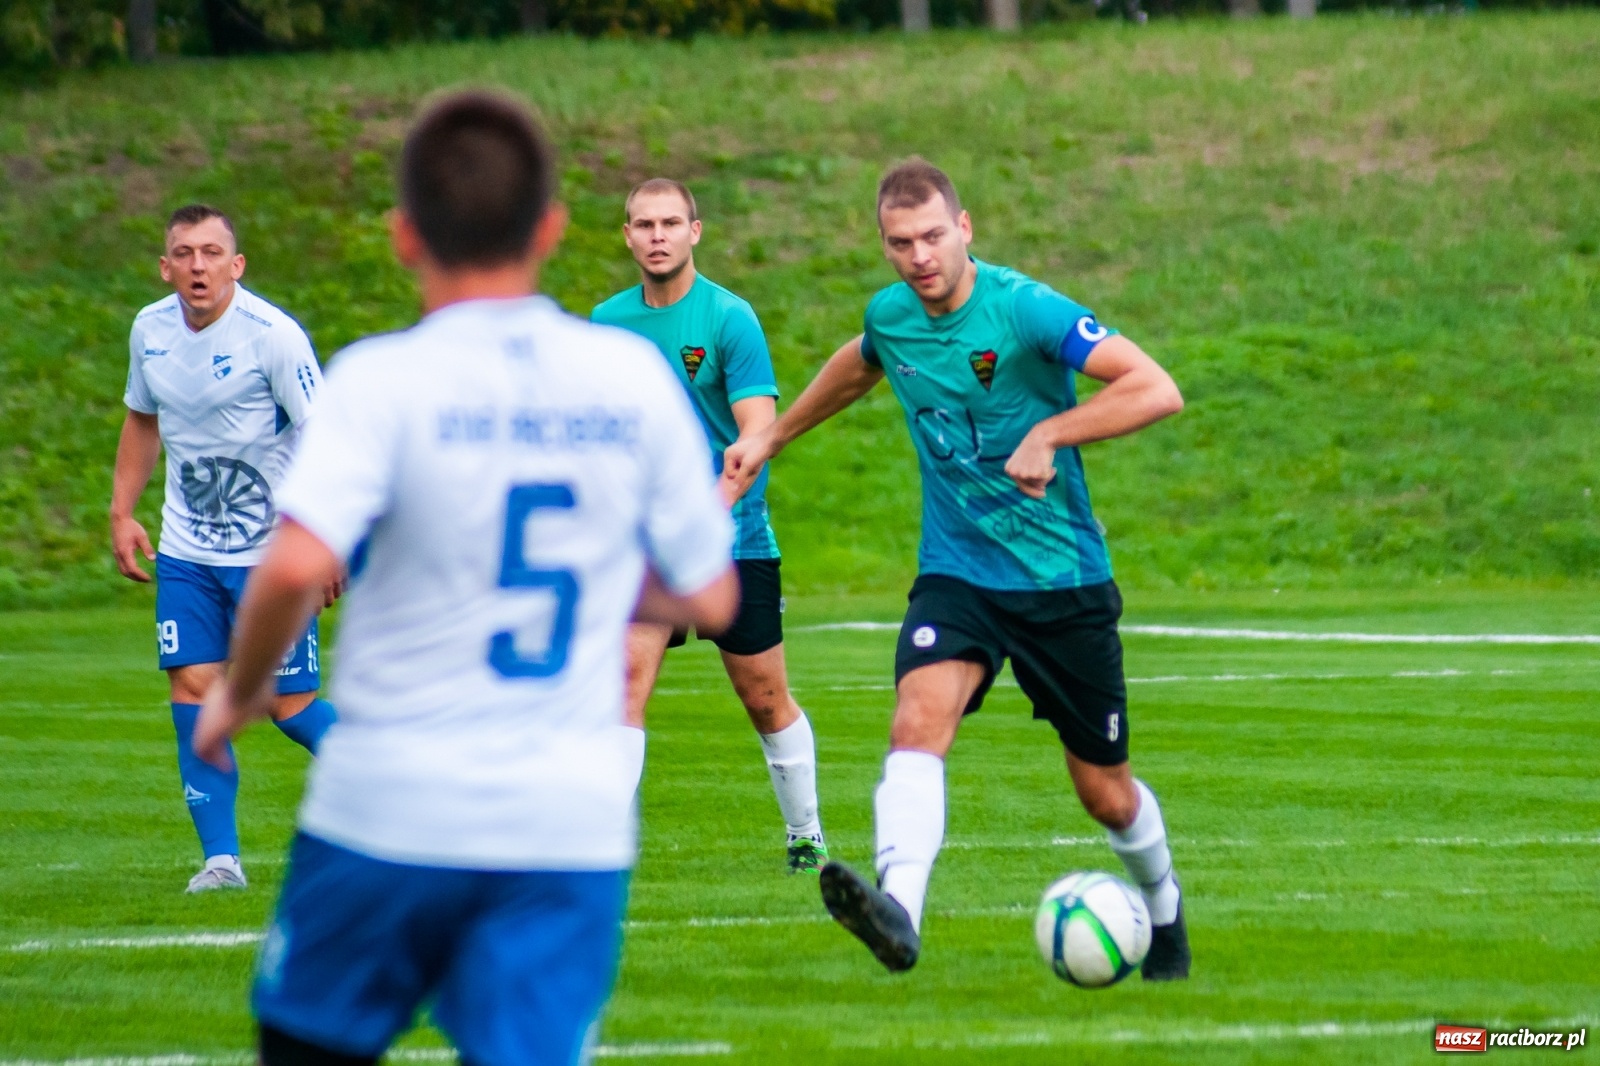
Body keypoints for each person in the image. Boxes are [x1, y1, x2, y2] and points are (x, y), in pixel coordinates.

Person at [193, 91, 738, 1065]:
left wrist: (237, 694)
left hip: (388, 808)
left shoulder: (381, 379)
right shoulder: (628, 379)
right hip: (564, 826)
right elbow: (710, 596)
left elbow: (297, 563)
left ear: (405, 237)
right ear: (554, 228)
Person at [723, 158, 1191, 978]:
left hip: (1060, 582)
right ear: (884, 245)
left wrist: (1051, 433)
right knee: (917, 718)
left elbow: (1156, 389)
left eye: (934, 236)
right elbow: (863, 359)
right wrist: (773, 435)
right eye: (900, 243)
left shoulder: (1023, 308)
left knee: (1105, 793)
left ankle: (1165, 911)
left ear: (965, 228)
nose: (920, 256)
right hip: (959, 572)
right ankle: (898, 907)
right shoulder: (893, 315)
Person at [592, 178, 827, 875]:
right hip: (643, 548)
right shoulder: (606, 322)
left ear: (697, 231)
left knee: (763, 695)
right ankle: (608, 849)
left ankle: (806, 835)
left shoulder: (730, 319)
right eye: (643, 224)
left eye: (670, 222)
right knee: (624, 682)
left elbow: (756, 431)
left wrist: (710, 506)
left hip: (733, 541)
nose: (657, 235)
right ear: (627, 235)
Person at [111, 204, 338, 894]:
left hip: (274, 553)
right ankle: (221, 862)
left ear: (235, 266)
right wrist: (122, 510)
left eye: (212, 253)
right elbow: (142, 418)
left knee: (288, 706)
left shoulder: (273, 337)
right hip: (186, 548)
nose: (198, 265)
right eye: (184, 253)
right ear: (166, 265)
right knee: (192, 685)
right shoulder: (149, 330)